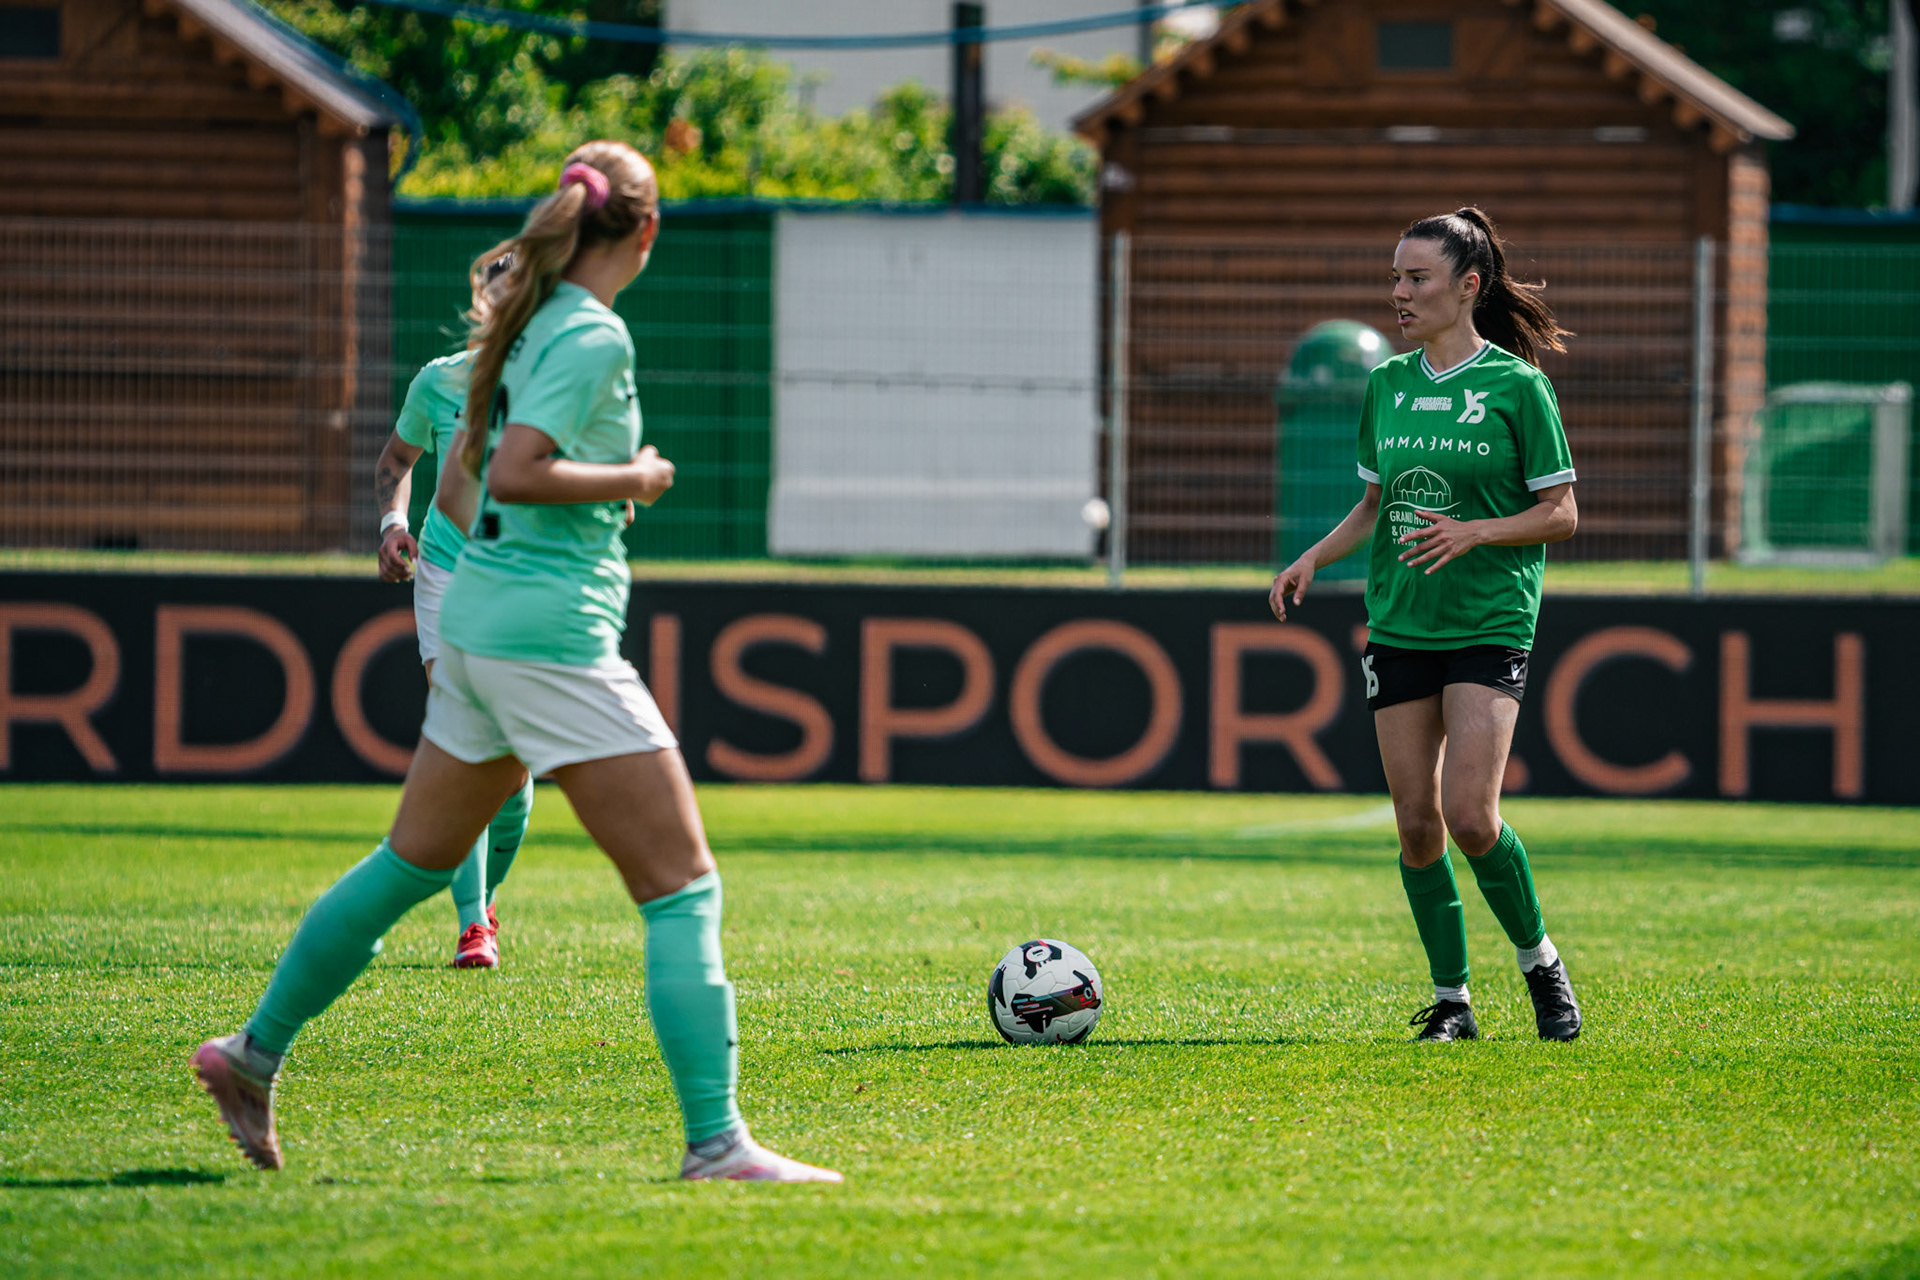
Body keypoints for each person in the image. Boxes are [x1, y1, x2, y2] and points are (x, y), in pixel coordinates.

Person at [193, 140, 842, 1183]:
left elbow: (458, 489)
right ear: (646, 230)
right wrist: (632, 474)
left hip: (482, 622)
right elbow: (520, 470)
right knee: (683, 886)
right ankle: (718, 1142)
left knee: (408, 864)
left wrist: (509, 537)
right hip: (551, 636)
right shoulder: (589, 335)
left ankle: (250, 1052)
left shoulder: (518, 328)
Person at [1269, 207, 1583, 1044]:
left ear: (1468, 286)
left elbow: (1561, 514)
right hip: (1401, 623)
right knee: (1417, 824)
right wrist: (1313, 558)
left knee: (1472, 816)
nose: (1399, 293)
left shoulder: (1519, 388)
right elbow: (1375, 504)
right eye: (1395, 278)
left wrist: (1477, 530)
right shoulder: (1388, 385)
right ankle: (1453, 1002)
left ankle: (1541, 967)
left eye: (1417, 278)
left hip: (1488, 619)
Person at [371, 255, 532, 970]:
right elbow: (394, 463)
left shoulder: (559, 380)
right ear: (482, 303)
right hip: (446, 570)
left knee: (514, 767)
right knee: (463, 737)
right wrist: (391, 525)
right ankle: (473, 926)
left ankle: (483, 900)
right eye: (501, 295)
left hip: (527, 579)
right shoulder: (439, 380)